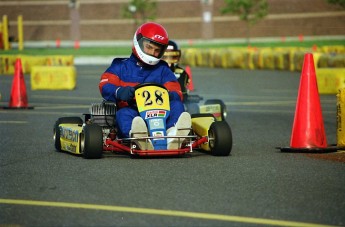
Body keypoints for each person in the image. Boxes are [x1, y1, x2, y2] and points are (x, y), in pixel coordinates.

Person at [99, 22, 191, 150]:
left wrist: (170, 95)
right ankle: (138, 137)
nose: (153, 53)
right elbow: (105, 84)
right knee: (123, 114)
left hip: (161, 113)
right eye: (149, 47)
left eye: (157, 50)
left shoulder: (163, 69)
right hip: (133, 110)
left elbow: (176, 90)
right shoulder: (120, 65)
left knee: (177, 105)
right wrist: (119, 91)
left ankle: (172, 135)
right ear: (138, 42)